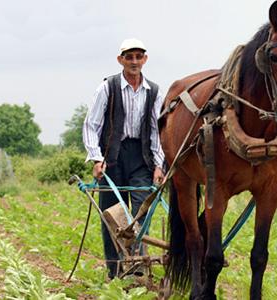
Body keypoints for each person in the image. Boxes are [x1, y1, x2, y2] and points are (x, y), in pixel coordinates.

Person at [83, 38, 165, 280]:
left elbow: (156, 130)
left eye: (139, 56)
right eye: (129, 57)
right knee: (111, 214)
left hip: (141, 158)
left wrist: (159, 164)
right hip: (112, 158)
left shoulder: (154, 91)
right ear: (120, 60)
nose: (134, 61)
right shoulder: (107, 87)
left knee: (141, 210)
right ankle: (113, 269)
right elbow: (91, 125)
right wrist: (97, 159)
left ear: (145, 59)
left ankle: (137, 264)